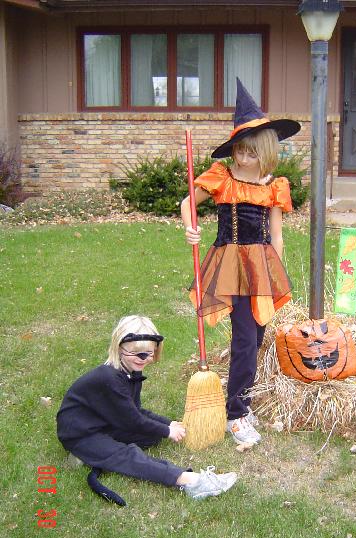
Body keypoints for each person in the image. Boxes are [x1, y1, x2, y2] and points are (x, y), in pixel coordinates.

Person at [181, 78, 300, 446]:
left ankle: (242, 401)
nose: (243, 159)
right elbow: (188, 203)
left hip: (261, 268)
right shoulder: (223, 177)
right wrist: (190, 229)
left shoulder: (274, 185)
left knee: (257, 335)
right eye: (239, 151)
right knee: (246, 340)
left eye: (251, 153)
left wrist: (275, 274)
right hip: (230, 266)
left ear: (266, 151)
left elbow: (276, 236)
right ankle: (235, 413)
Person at [57, 315, 237, 503]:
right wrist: (167, 431)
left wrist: (168, 423)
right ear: (119, 348)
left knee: (151, 435)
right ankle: (191, 481)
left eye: (149, 353)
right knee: (127, 455)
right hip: (80, 434)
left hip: (106, 422)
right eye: (136, 353)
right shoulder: (109, 378)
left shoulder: (131, 371)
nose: (143, 359)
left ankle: (94, 456)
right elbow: (133, 421)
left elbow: (136, 411)